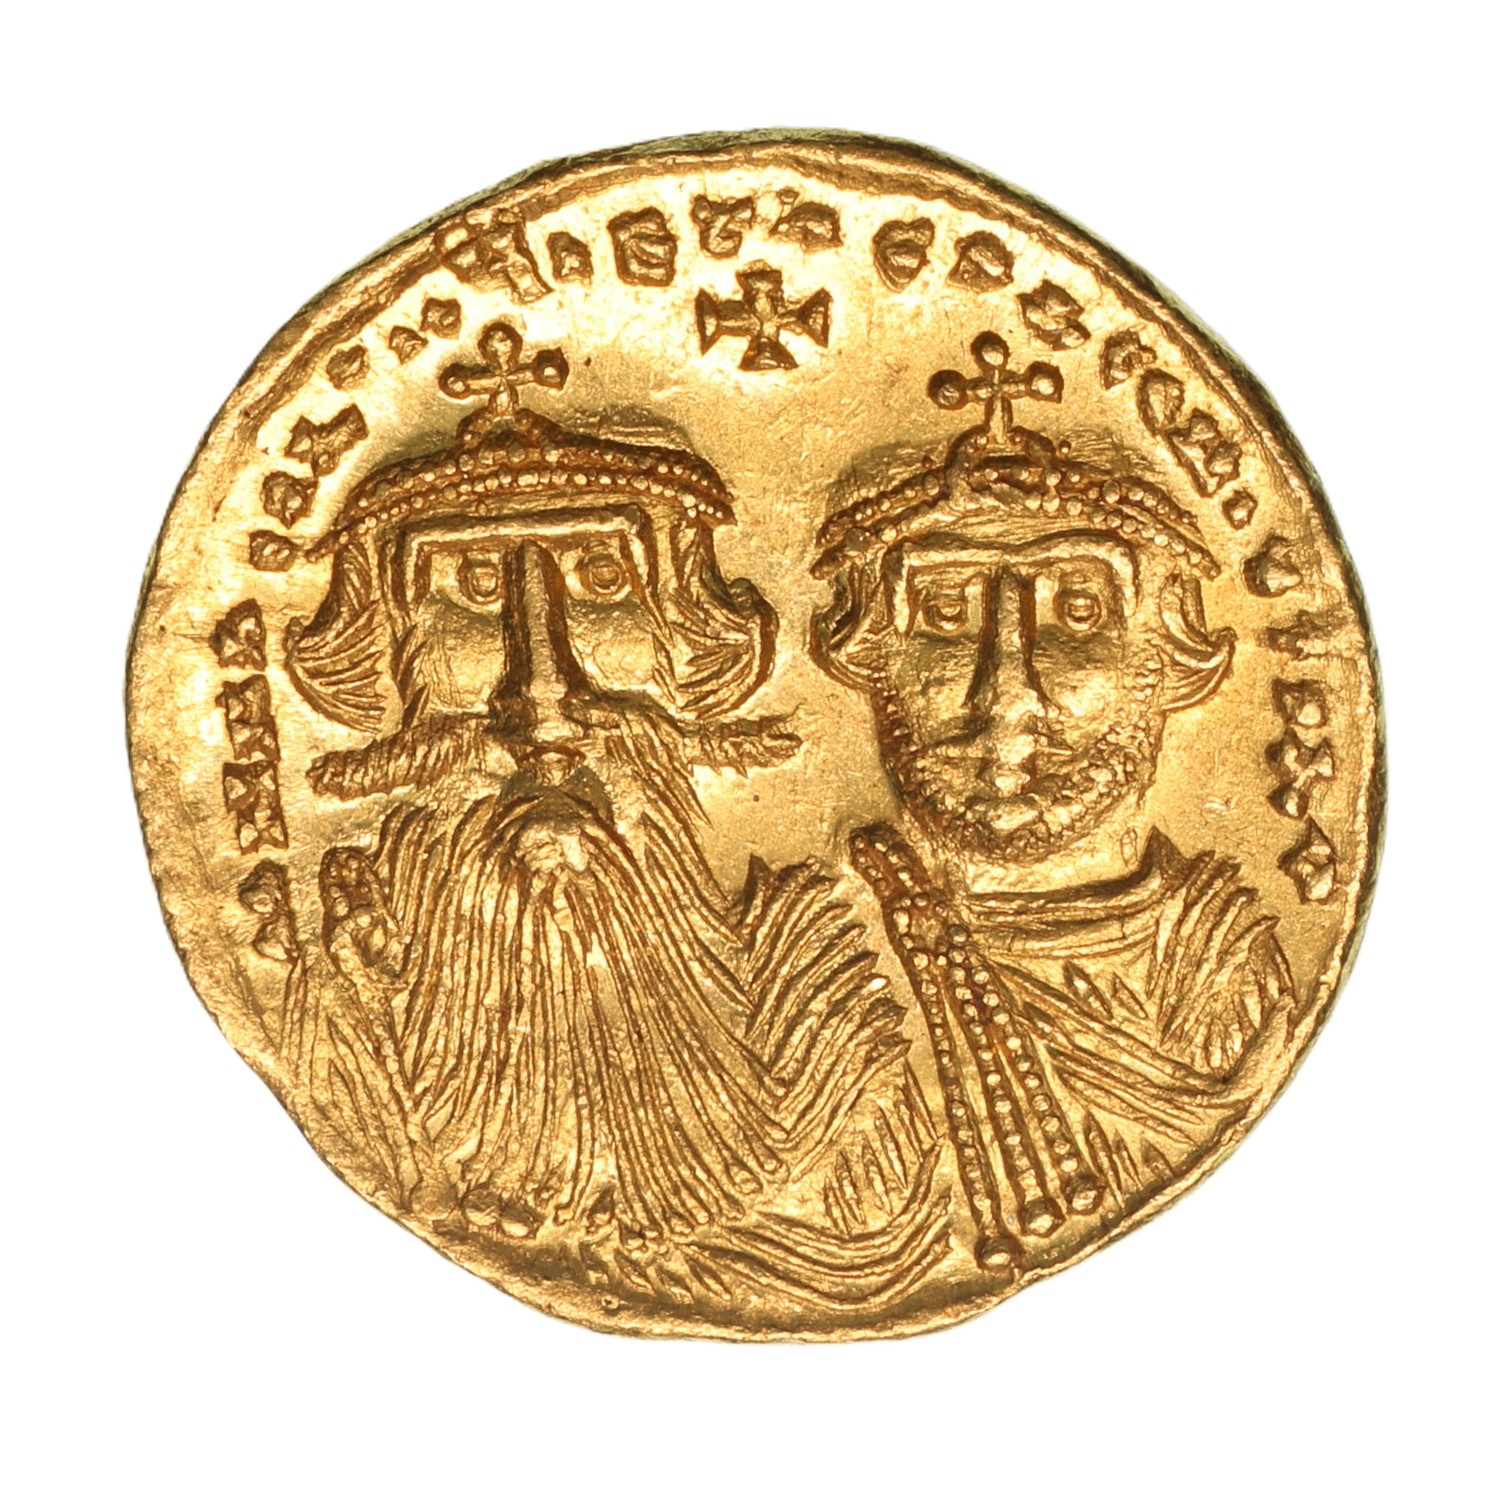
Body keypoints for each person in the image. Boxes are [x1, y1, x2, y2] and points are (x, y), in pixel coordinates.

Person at [284, 322, 947, 1315]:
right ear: (388, 663)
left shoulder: (832, 1030)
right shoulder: (342, 1027)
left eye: (601, 585)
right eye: (471, 592)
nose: (542, 695)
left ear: (689, 647)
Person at [811, 332, 1295, 1278]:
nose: (1006, 691)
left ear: (1168, 656)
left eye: (1076, 614)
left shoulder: (1224, 978)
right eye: (945, 614)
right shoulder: (813, 968)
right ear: (867, 655)